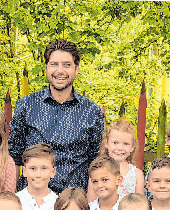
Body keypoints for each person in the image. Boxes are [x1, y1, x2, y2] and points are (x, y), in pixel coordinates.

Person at [9, 38, 105, 192]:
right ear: (46, 67)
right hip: (33, 199)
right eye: (54, 64)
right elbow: (14, 158)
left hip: (74, 203)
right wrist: (12, 198)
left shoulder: (91, 111)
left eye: (67, 65)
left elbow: (95, 164)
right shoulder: (26, 105)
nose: (60, 70)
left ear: (76, 69)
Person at [87, 119, 144, 202]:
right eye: (115, 143)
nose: (120, 148)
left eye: (126, 144)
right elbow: (91, 204)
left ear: (132, 146)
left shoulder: (137, 174)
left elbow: (140, 205)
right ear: (106, 143)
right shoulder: (96, 171)